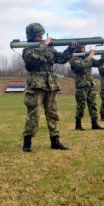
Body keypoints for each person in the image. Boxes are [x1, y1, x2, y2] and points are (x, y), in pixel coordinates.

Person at [21, 23, 76, 152]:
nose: (40, 37)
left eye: (41, 34)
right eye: (37, 35)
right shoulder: (28, 50)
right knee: (33, 114)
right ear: (31, 36)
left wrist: (71, 49)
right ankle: (27, 142)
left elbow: (61, 59)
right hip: (36, 84)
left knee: (53, 113)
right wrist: (44, 45)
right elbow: (34, 59)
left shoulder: (48, 48)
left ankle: (55, 141)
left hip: (50, 84)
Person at [69, 45, 104, 130]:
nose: (84, 49)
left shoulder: (87, 57)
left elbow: (97, 64)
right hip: (81, 85)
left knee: (93, 104)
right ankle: (78, 125)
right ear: (78, 48)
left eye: (85, 47)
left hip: (90, 84)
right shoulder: (74, 58)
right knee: (81, 105)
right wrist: (90, 56)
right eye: (83, 47)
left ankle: (94, 124)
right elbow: (81, 65)